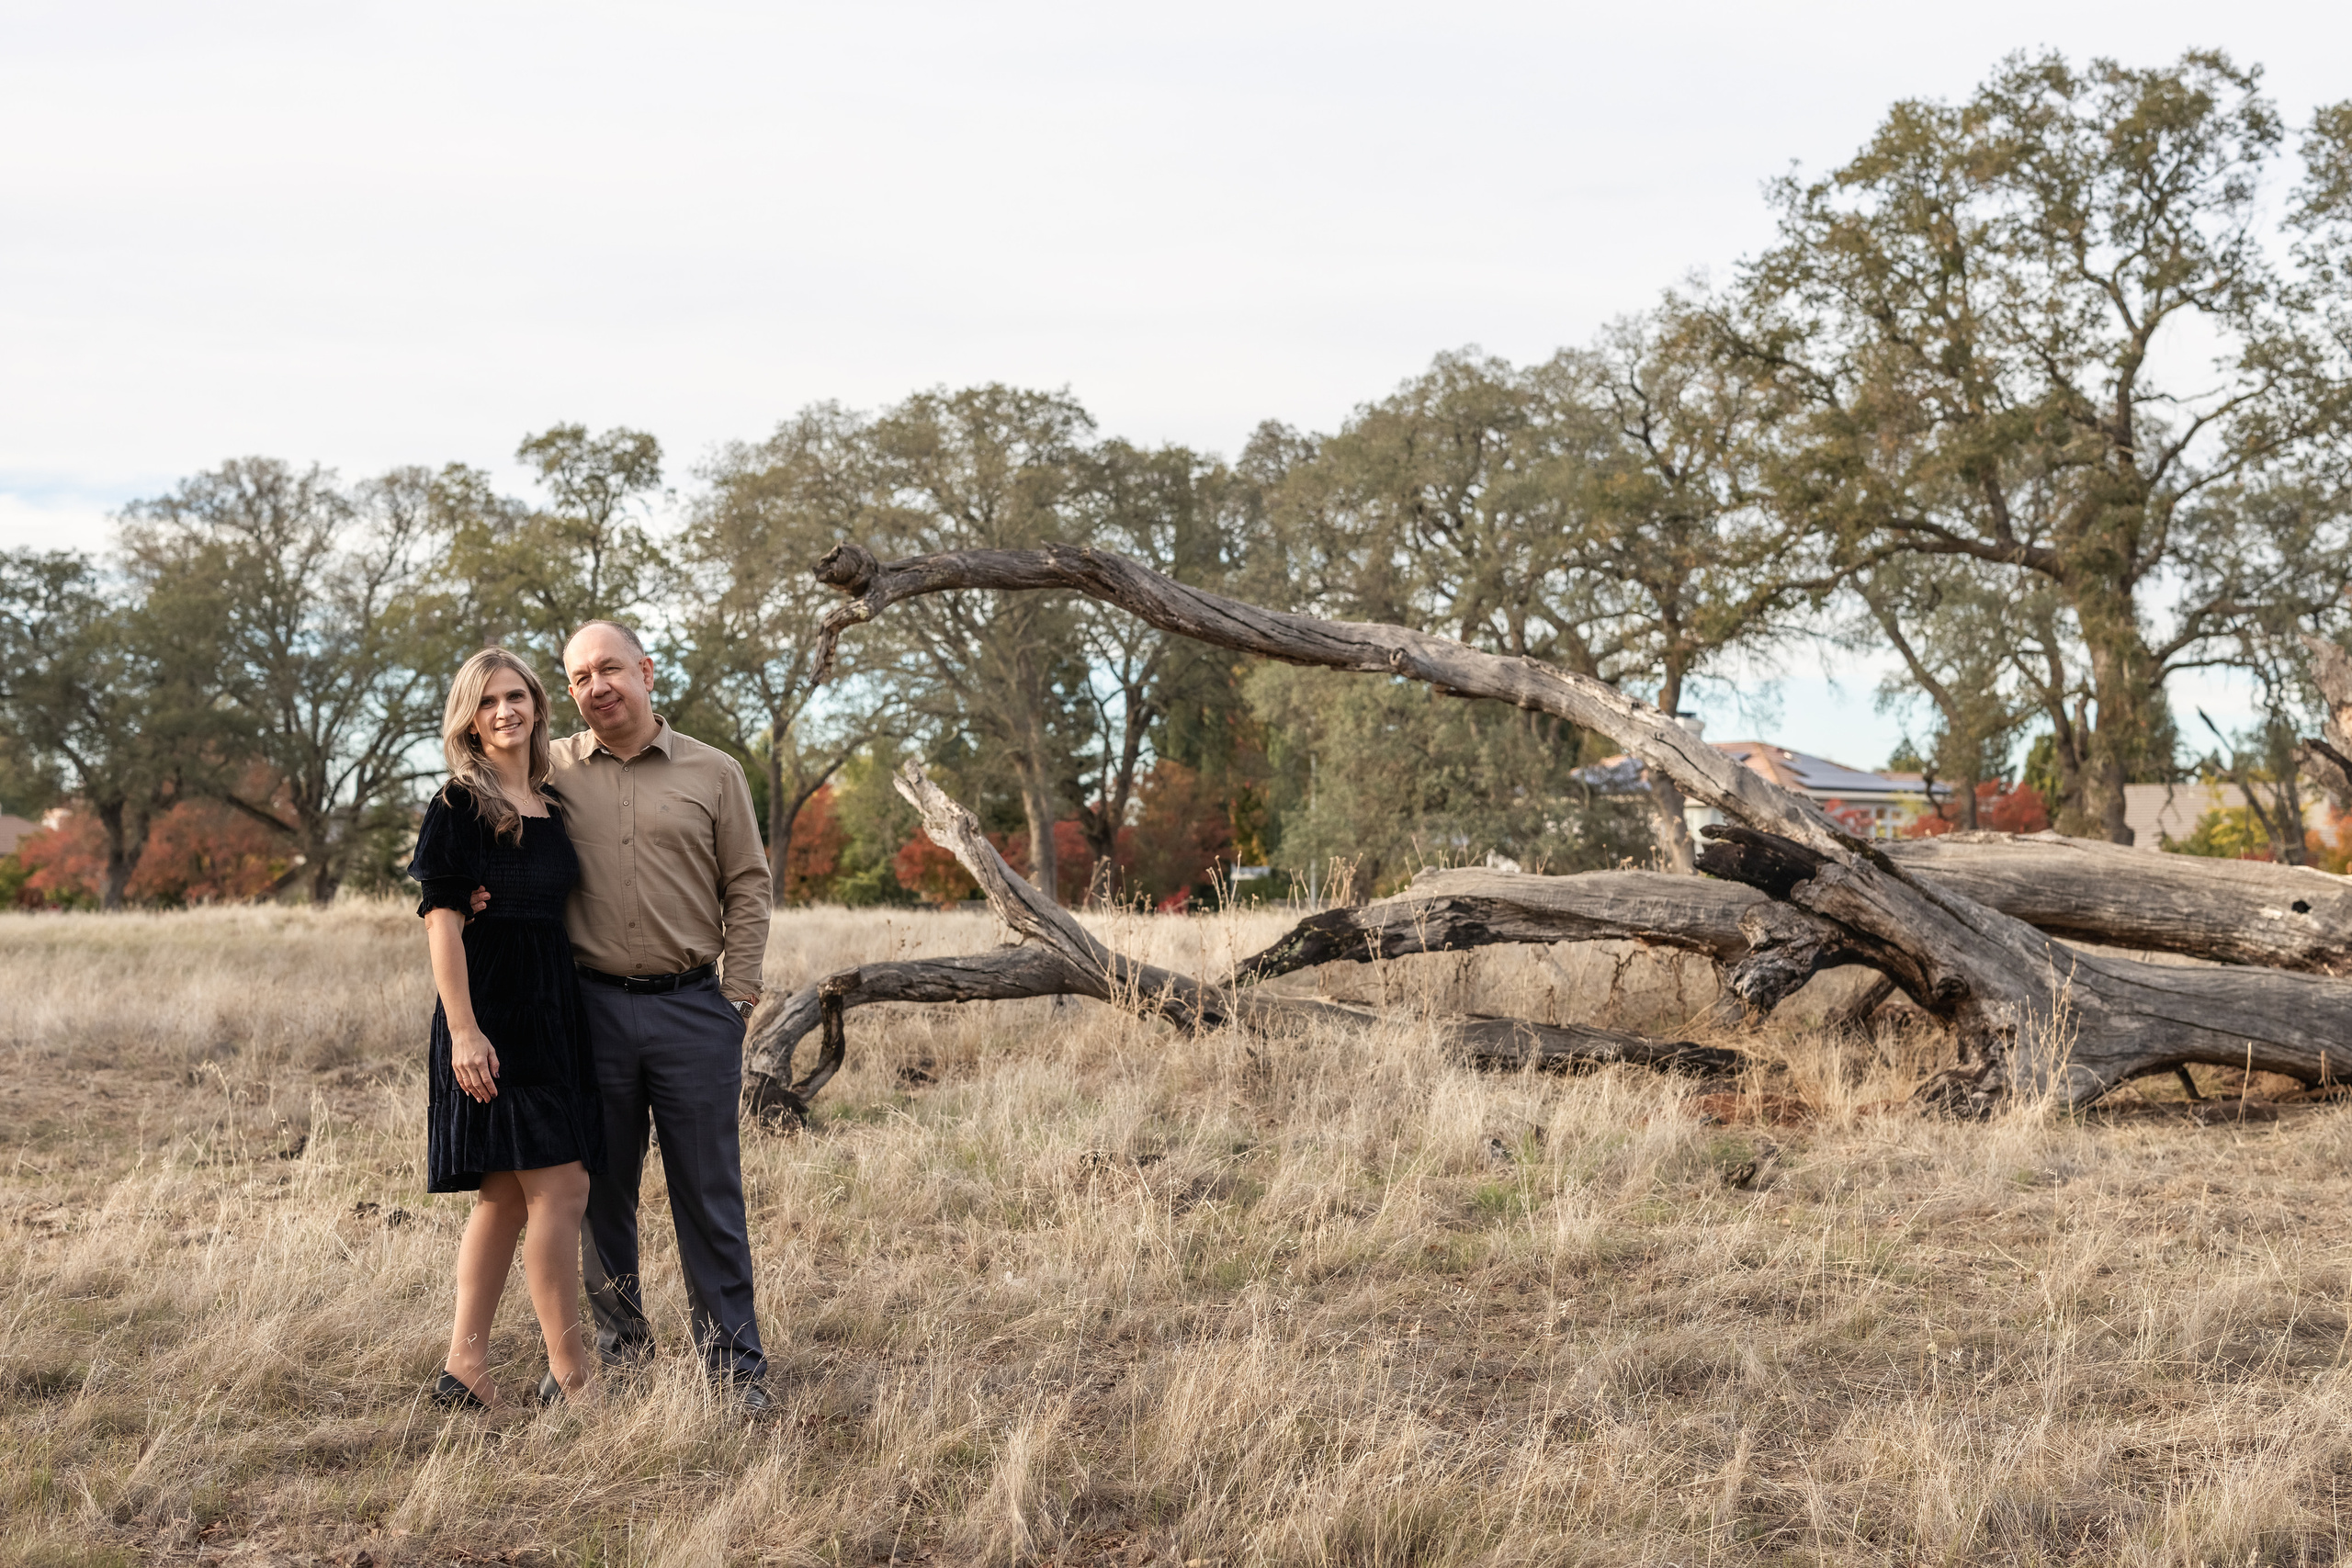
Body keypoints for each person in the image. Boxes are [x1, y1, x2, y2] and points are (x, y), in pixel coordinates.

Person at [548, 618, 774, 1407]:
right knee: (598, 1192)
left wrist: (738, 993)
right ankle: (620, 1350)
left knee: (708, 1190)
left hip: (693, 1010)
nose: (596, 686)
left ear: (645, 671)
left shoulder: (716, 772)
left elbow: (748, 882)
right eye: (579, 677)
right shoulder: (549, 775)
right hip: (590, 1011)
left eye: (609, 668)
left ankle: (733, 1365)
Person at [408, 647, 607, 1411]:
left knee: (505, 1196)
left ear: (537, 704)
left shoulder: (552, 804)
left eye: (516, 695)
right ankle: (573, 1379)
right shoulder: (459, 803)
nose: (504, 711)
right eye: (487, 700)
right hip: (491, 1014)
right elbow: (441, 921)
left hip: (553, 1007)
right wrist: (463, 1030)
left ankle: (465, 1369)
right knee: (563, 1185)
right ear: (469, 716)